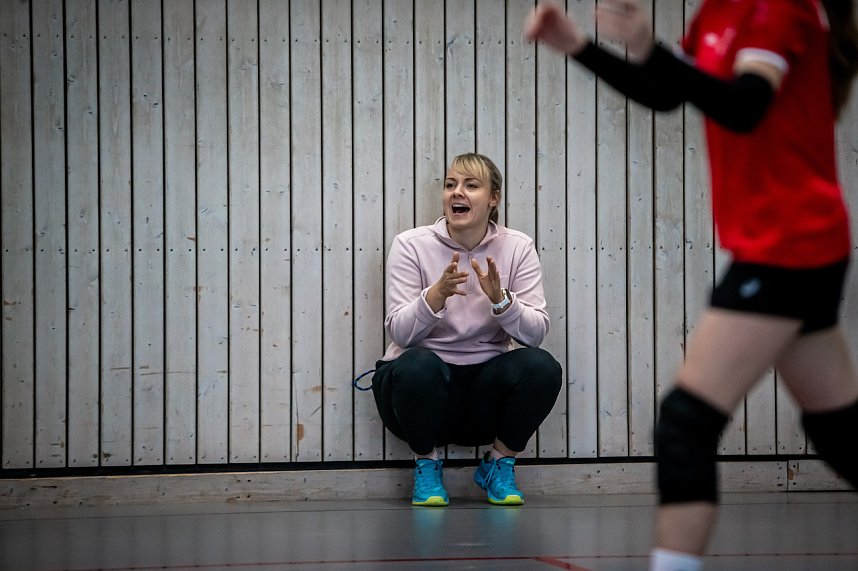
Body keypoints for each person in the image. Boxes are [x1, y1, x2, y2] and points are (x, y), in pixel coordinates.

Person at [525, 1, 858, 569]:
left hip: (790, 245)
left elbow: (746, 106)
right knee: (841, 433)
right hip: (783, 246)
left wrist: (651, 46)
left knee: (685, 422)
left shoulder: (780, 7)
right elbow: (665, 92)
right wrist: (577, 45)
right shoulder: (716, 12)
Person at [371, 152, 563, 507]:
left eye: (471, 185)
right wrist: (434, 298)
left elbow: (535, 335)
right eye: (450, 185)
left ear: (493, 199)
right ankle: (426, 466)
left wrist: (502, 302)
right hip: (419, 395)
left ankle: (497, 464)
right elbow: (399, 333)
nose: (456, 193)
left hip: (482, 396)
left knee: (542, 367)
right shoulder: (411, 245)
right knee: (417, 365)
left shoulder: (517, 247)